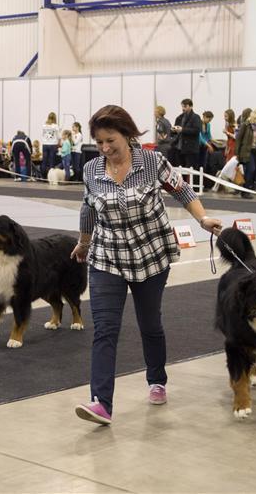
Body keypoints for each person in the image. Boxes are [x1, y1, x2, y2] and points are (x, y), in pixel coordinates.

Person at [71, 105, 222, 426]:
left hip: (150, 256)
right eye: (99, 142)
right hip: (107, 257)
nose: (105, 148)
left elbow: (182, 190)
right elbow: (89, 210)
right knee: (105, 330)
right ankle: (101, 403)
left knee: (149, 324)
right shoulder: (92, 171)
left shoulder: (153, 163)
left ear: (127, 134)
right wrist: (83, 243)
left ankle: (157, 379)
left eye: (110, 140)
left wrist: (203, 218)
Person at [235, 109, 256, 199]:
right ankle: (245, 191)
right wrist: (237, 153)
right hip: (245, 151)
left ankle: (245, 190)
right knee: (250, 170)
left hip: (254, 151)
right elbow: (238, 139)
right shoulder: (245, 125)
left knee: (249, 171)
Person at [173, 99, 202, 168]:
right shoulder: (179, 117)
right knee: (180, 169)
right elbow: (175, 129)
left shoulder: (196, 117)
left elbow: (197, 130)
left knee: (190, 170)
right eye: (182, 106)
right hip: (179, 147)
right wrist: (173, 130)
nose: (183, 108)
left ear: (191, 106)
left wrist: (182, 130)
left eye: (185, 106)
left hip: (190, 149)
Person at [40, 112, 60, 177]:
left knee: (44, 161)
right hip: (53, 144)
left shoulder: (44, 126)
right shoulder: (55, 126)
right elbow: (58, 136)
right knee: (51, 161)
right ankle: (50, 177)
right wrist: (59, 143)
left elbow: (42, 135)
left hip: (45, 144)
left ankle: (43, 176)